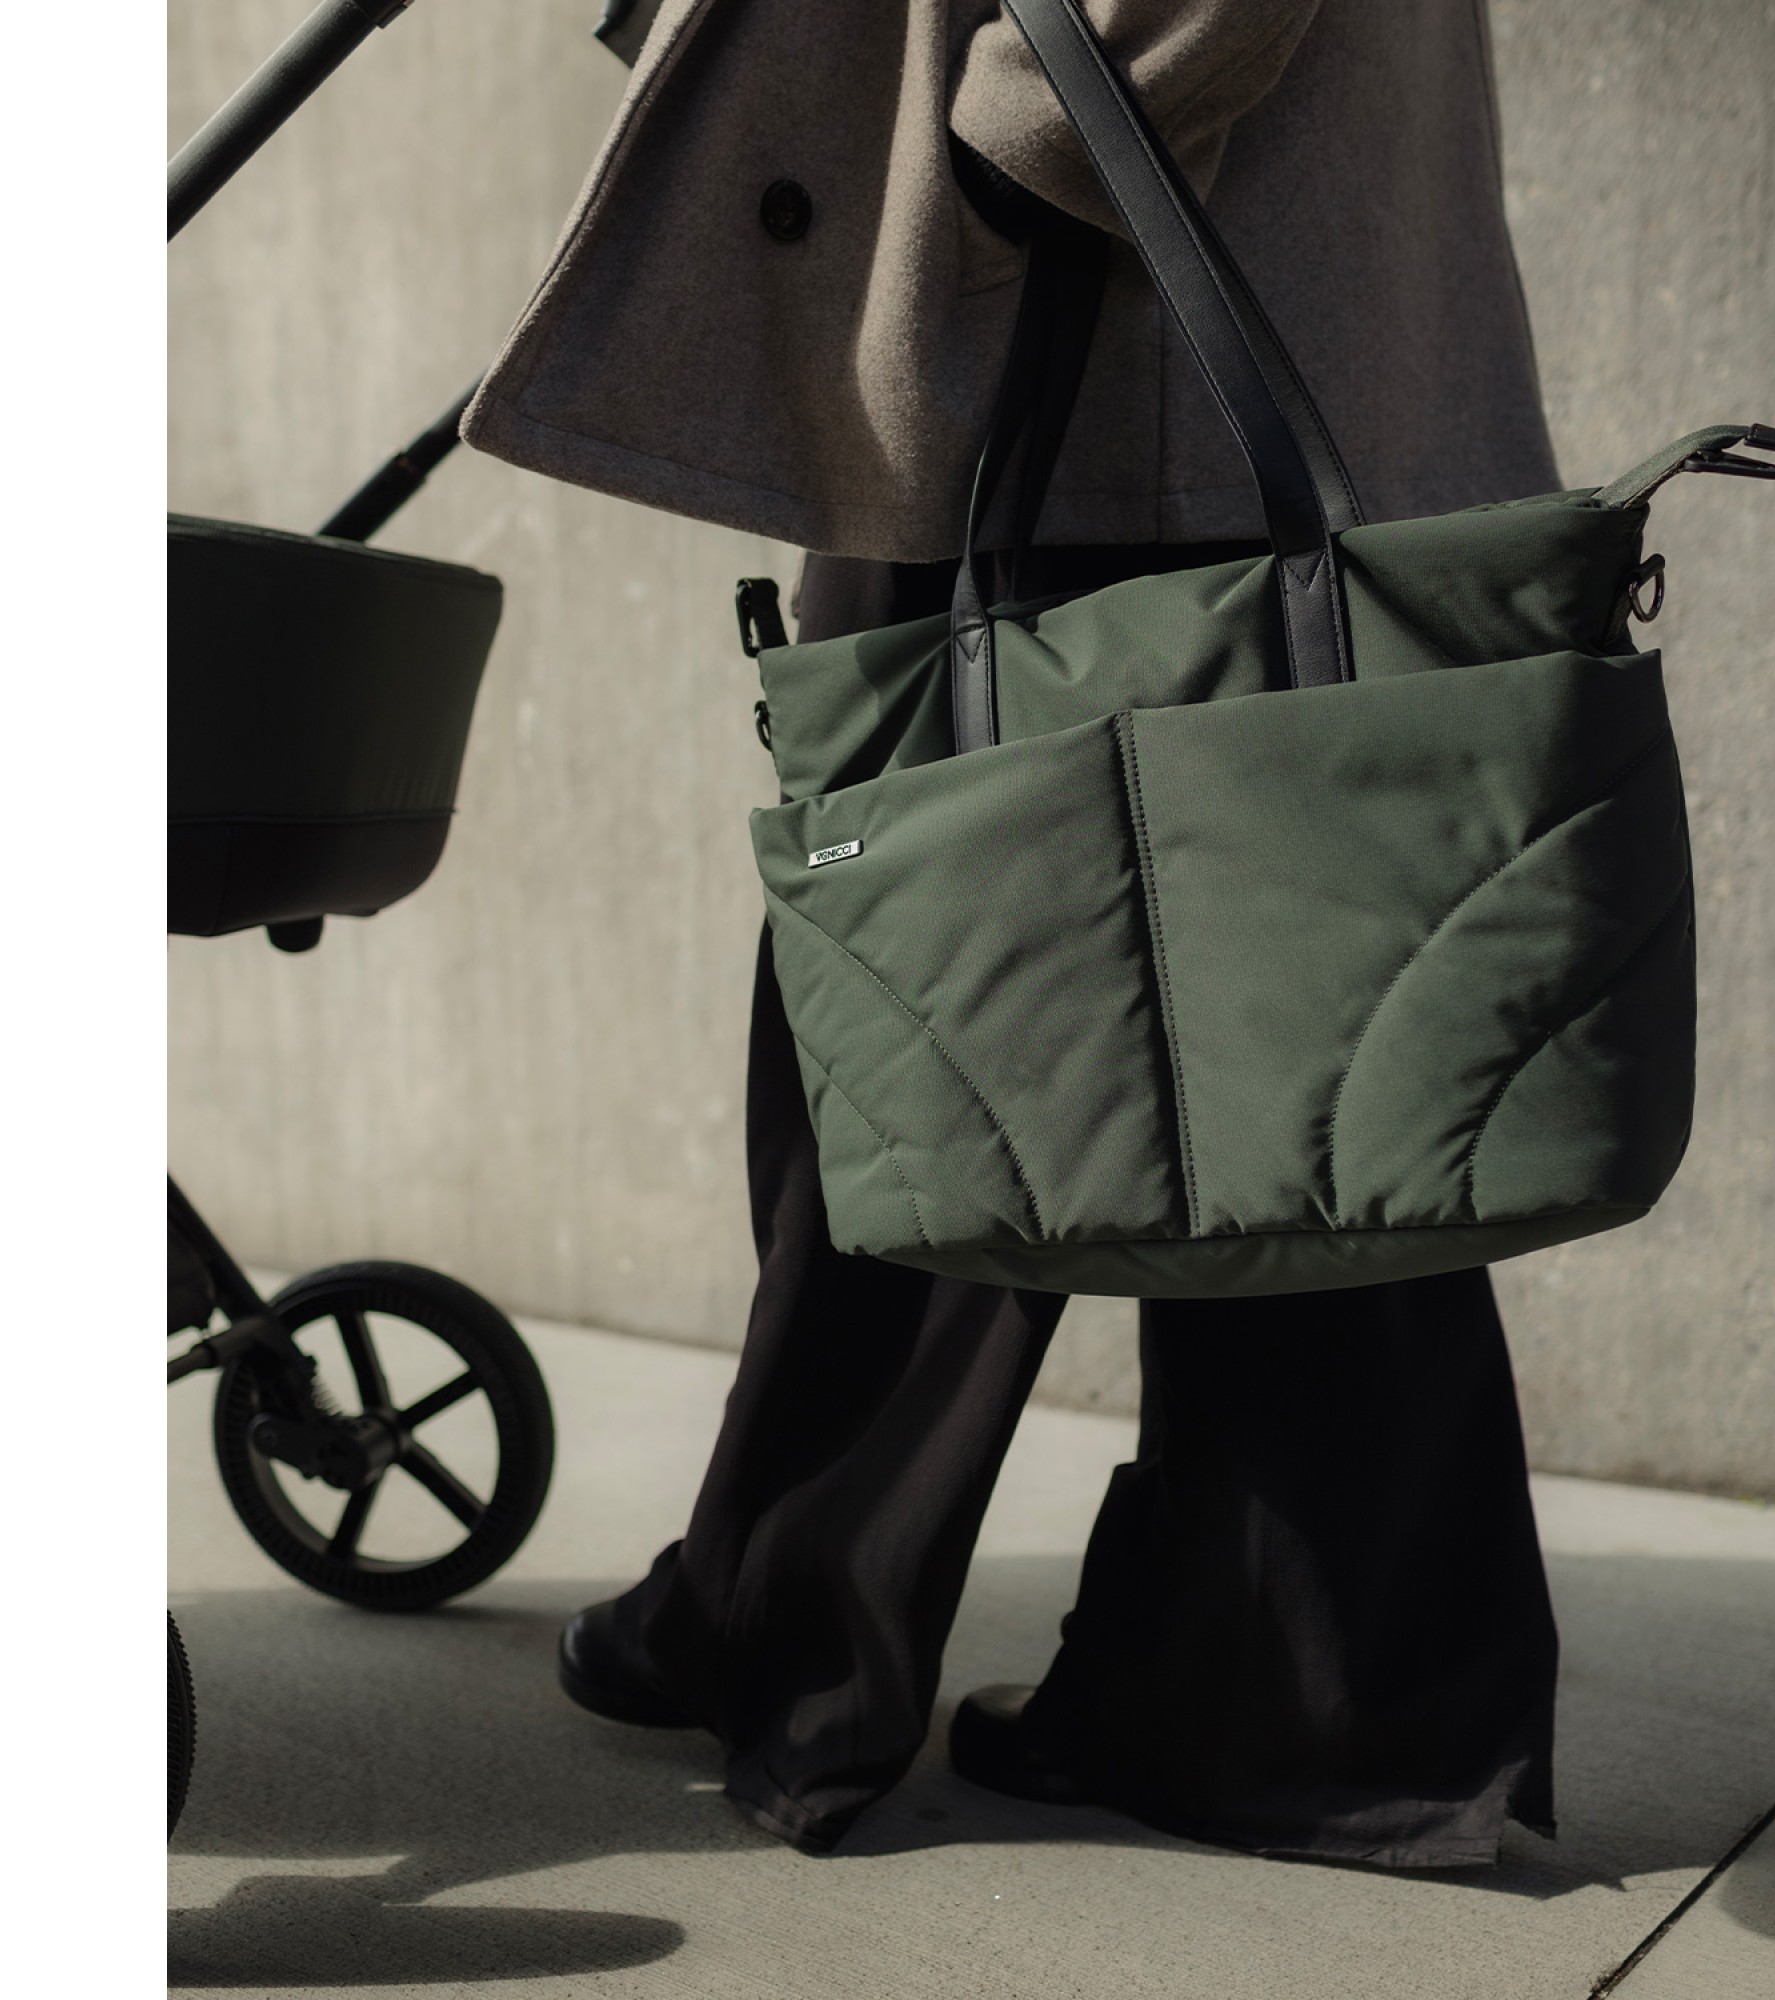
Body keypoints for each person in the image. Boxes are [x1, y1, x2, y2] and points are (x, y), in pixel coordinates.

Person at [464, 0, 1563, 1868]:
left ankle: (800, 1614)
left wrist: (999, 160)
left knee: (938, 1018)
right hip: (1202, 295)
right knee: (1307, 1053)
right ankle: (1292, 1696)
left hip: (1122, 314)